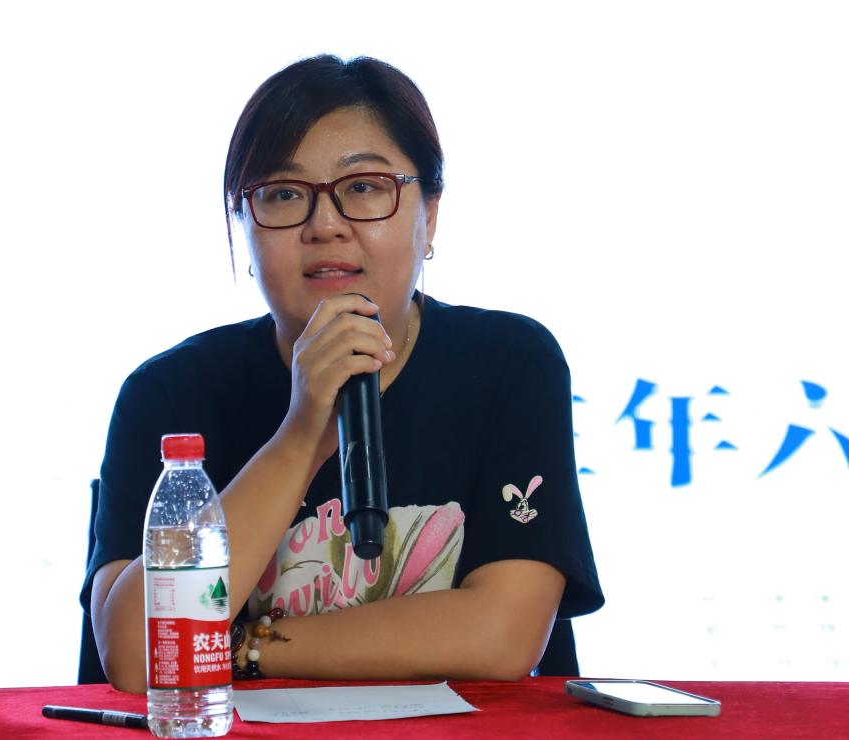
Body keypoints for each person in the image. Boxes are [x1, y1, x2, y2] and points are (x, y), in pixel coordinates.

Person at [82, 54, 604, 694]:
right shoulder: (168, 393)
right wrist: (301, 433)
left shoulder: (509, 363)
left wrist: (239, 645)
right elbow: (139, 654)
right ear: (243, 227)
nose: (325, 225)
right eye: (283, 194)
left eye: (364, 188)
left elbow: (502, 636)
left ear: (430, 214)